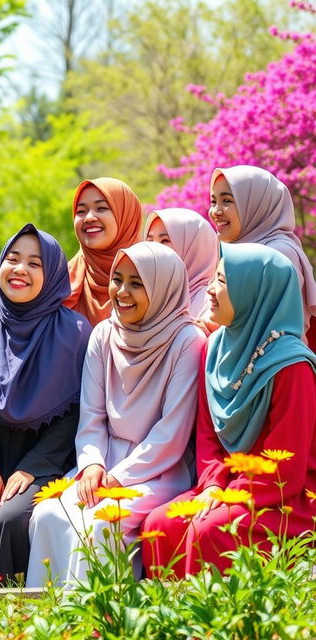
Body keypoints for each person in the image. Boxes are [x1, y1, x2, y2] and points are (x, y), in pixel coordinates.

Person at [27, 242, 206, 587]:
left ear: (162, 287)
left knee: (101, 523)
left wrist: (119, 478)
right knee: (49, 513)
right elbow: (92, 415)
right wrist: (92, 463)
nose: (121, 292)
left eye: (137, 283)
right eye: (117, 280)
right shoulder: (104, 334)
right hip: (102, 462)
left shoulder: (187, 341)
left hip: (159, 471)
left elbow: (172, 433)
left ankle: (96, 621)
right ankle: (48, 620)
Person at [142, 243, 316, 578]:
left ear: (254, 291)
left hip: (285, 499)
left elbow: (288, 467)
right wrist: (211, 487)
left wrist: (230, 496)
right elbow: (208, 438)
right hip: (227, 487)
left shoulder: (292, 366)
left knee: (209, 530)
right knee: (159, 525)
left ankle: (214, 628)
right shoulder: (213, 348)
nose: (209, 288)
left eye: (221, 281)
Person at [0, 224, 91, 586]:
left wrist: (32, 470)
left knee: (14, 517)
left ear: (52, 273)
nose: (20, 269)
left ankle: (16, 619)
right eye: (13, 258)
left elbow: (74, 416)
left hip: (47, 464)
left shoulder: (75, 334)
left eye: (34, 263)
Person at [209, 165, 316, 346]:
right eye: (213, 202)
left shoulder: (278, 254)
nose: (216, 212)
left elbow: (264, 324)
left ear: (257, 204)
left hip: (272, 366)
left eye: (227, 200)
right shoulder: (230, 252)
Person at [64, 177, 142, 326]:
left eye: (101, 208)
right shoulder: (62, 281)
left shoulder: (153, 276)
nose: (89, 217)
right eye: (81, 211)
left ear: (126, 216)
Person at [145, 208, 219, 317]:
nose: (154, 248)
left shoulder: (213, 302)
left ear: (194, 247)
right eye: (150, 241)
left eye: (165, 240)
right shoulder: (148, 296)